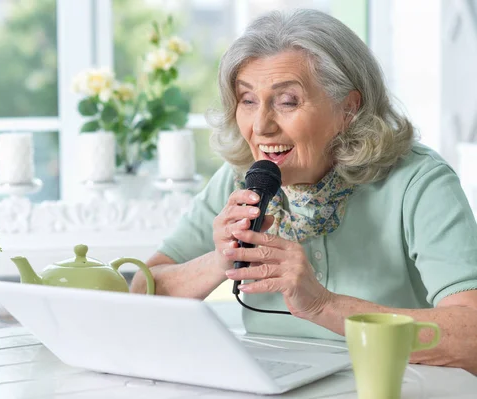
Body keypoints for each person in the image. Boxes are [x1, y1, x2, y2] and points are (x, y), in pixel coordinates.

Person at [131, 9, 477, 374]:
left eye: (287, 101)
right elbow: (142, 291)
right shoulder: (240, 179)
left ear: (349, 108)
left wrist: (322, 305)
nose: (261, 126)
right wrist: (221, 259)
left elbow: (471, 335)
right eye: (248, 100)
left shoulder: (418, 181)